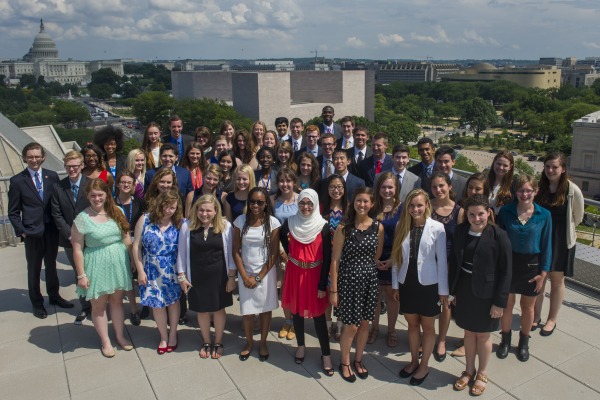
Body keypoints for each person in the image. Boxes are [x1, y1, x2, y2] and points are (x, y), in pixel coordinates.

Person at [449, 195, 512, 396]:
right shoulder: (460, 231)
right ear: (466, 215)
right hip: (465, 290)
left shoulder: (499, 235)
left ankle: (482, 373)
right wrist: (453, 292)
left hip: (487, 294)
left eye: (481, 214)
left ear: (489, 213)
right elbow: (454, 263)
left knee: (483, 335)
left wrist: (499, 302)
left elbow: (506, 270)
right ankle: (469, 370)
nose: (477, 218)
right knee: (468, 333)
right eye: (472, 214)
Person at [391, 189, 448, 386]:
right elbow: (397, 258)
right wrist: (395, 285)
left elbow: (442, 262)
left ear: (426, 206)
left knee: (429, 327)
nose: (415, 209)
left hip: (429, 285)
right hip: (407, 283)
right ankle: (414, 361)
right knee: (412, 325)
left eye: (419, 205)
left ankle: (424, 365)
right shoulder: (401, 225)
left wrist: (443, 291)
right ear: (407, 207)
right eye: (412, 205)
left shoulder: (438, 228)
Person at [71, 178, 133, 357]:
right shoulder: (82, 218)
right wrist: (81, 274)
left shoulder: (117, 211)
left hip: (118, 262)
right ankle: (106, 341)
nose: (97, 199)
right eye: (93, 196)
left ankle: (120, 336)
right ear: (87, 196)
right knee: (98, 306)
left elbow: (125, 237)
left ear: (107, 194)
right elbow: (77, 248)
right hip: (96, 263)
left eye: (100, 195)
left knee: (117, 302)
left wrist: (132, 261)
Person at [9, 142, 71, 319]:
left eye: (37, 156)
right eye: (30, 157)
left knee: (51, 266)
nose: (34, 160)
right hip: (32, 232)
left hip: (51, 230)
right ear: (25, 158)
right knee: (34, 269)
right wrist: (22, 231)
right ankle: (37, 303)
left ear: (43, 157)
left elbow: (58, 202)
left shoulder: (51, 176)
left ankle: (54, 296)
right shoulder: (17, 181)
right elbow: (13, 212)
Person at [330, 187, 384, 383]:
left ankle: (358, 359)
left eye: (366, 201)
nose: (362, 205)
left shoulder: (378, 227)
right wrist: (334, 290)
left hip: (369, 280)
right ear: (353, 202)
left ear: (372, 204)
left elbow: (376, 255)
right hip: (349, 281)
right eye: (359, 201)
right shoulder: (343, 228)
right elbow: (335, 260)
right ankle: (345, 362)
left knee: (364, 325)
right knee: (350, 326)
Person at [496, 175, 552, 362]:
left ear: (535, 191)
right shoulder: (505, 212)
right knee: (507, 305)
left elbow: (547, 244)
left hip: (531, 265)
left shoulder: (544, 215)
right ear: (515, 191)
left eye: (529, 190)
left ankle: (524, 343)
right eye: (521, 190)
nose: (525, 194)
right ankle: (505, 340)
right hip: (509, 263)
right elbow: (498, 241)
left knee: (527, 308)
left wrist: (543, 273)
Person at [280, 189, 334, 375]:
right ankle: (301, 345)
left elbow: (327, 258)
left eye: (309, 203)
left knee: (319, 315)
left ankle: (325, 354)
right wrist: (291, 255)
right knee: (296, 312)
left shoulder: (323, 227)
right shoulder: (290, 223)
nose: (305, 207)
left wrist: (321, 285)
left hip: (315, 275)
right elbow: (281, 236)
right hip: (295, 273)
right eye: (302, 203)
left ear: (316, 204)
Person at [177, 195, 236, 359]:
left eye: (208, 210)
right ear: (196, 210)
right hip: (197, 275)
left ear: (216, 210)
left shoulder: (225, 226)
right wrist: (181, 276)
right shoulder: (187, 227)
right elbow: (181, 253)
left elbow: (231, 254)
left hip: (219, 275)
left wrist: (232, 276)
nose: (204, 214)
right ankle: (206, 340)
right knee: (202, 310)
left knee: (218, 309)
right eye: (201, 210)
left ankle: (218, 341)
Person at [533, 153, 584, 335]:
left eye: (555, 167)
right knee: (539, 280)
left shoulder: (572, 190)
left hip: (561, 241)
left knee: (556, 281)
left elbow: (578, 217)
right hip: (541, 240)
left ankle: (551, 319)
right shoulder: (539, 188)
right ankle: (536, 315)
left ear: (563, 169)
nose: (550, 170)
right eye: (547, 166)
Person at [233, 187, 281, 361]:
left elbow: (274, 254)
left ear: (266, 203)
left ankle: (262, 343)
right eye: (252, 201)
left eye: (260, 202)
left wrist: (259, 277)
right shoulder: (239, 221)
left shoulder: (273, 223)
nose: (255, 205)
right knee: (247, 311)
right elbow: (235, 251)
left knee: (265, 310)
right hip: (245, 272)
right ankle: (249, 343)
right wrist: (245, 276)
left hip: (265, 274)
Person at [133, 190, 183, 354]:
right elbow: (136, 246)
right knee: (157, 304)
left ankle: (173, 333)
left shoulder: (179, 223)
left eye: (172, 208)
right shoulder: (146, 219)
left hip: (172, 269)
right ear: (159, 204)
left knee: (173, 302)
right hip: (151, 269)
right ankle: (163, 336)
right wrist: (140, 270)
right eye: (166, 206)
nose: (169, 210)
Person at [51, 150, 91, 324]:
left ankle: (99, 303)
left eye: (76, 166)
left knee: (94, 271)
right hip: (69, 240)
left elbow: (98, 207)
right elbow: (56, 213)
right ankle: (85, 306)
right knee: (79, 273)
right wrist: (70, 234)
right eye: (69, 166)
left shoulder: (92, 184)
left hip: (91, 237)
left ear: (82, 165)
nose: (72, 169)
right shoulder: (58, 187)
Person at [429, 172, 464, 362]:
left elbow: (459, 244)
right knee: (427, 302)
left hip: (449, 263)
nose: (438, 190)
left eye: (441, 186)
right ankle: (427, 336)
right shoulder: (427, 206)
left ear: (449, 186)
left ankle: (441, 340)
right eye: (434, 187)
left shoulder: (459, 211)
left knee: (445, 304)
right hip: (428, 262)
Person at [367, 172, 401, 347]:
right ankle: (374, 328)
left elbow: (406, 237)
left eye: (390, 187)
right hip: (373, 257)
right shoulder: (372, 208)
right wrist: (373, 258)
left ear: (396, 188)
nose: (387, 190)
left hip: (395, 257)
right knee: (375, 296)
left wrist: (393, 260)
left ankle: (391, 330)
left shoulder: (403, 209)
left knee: (392, 297)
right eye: (383, 187)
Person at [271, 168, 299, 341]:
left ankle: (296, 322)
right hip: (279, 249)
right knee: (284, 289)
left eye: (288, 181)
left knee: (297, 289)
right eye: (281, 181)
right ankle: (287, 320)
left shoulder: (301, 198)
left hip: (298, 250)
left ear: (294, 182)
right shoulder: (274, 200)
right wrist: (280, 251)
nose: (285, 184)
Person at [115, 171, 145, 326]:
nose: (126, 185)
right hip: (120, 244)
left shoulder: (140, 202)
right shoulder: (112, 204)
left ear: (134, 185)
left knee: (140, 275)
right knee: (127, 280)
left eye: (129, 182)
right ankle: (134, 310)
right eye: (123, 182)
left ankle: (145, 305)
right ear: (118, 184)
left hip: (138, 242)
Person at [321, 174, 347, 340]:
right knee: (327, 293)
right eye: (332, 187)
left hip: (345, 258)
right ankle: (327, 324)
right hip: (325, 257)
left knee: (342, 293)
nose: (336, 190)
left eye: (339, 187)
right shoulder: (322, 208)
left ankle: (340, 326)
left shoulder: (350, 208)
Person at [487, 151, 514, 215]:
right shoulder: (485, 182)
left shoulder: (513, 186)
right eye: (498, 164)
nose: (501, 168)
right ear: (494, 162)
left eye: (505, 165)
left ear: (510, 167)